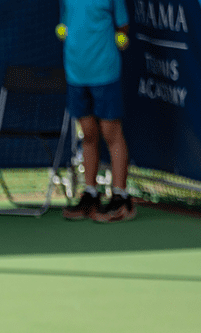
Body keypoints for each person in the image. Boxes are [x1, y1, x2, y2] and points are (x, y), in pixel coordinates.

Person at [58, 0, 135, 223]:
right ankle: (90, 193)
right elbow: (66, 22)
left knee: (111, 133)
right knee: (88, 133)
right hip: (75, 72)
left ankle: (121, 197)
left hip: (105, 72)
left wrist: (112, 42)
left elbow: (123, 26)